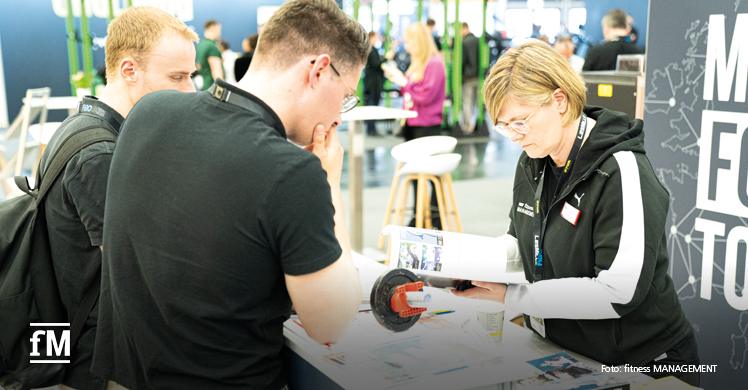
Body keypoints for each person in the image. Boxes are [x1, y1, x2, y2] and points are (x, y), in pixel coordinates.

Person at [91, 0, 368, 388]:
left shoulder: (150, 112)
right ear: (319, 70)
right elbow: (331, 323)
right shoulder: (291, 172)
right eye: (346, 95)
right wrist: (329, 184)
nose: (340, 115)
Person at [454, 40, 700, 387]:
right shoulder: (532, 162)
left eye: (520, 122)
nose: (513, 137)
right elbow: (520, 243)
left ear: (559, 100)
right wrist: (460, 263)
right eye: (504, 126)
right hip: (569, 355)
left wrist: (516, 297)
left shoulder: (621, 169)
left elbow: (619, 292)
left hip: (646, 365)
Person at [40, 7, 197, 389]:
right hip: (100, 359)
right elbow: (136, 274)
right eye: (177, 77)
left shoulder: (84, 126)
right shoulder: (100, 154)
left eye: (190, 76)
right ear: (129, 70)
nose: (190, 90)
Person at [383, 22, 445, 229]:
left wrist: (404, 83)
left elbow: (426, 95)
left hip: (427, 126)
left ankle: (434, 218)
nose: (407, 45)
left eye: (410, 41)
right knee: (416, 175)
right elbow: (412, 94)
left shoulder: (434, 63)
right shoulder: (416, 63)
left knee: (431, 176)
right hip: (412, 123)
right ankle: (419, 216)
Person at [460, 22, 479, 134]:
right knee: (477, 102)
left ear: (464, 29)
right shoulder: (478, 41)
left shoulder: (464, 42)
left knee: (467, 101)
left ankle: (467, 126)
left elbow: (462, 61)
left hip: (468, 76)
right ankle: (476, 123)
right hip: (479, 76)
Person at [364, 31, 384, 135]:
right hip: (372, 83)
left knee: (373, 104)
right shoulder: (370, 50)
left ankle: (372, 128)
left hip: (373, 82)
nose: (377, 39)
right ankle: (371, 129)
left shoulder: (371, 49)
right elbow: (376, 64)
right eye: (376, 37)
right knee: (372, 105)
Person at [195, 19, 223, 89]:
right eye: (219, 30)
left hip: (203, 87)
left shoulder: (200, 45)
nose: (220, 33)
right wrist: (222, 88)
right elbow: (217, 73)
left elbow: (198, 66)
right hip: (212, 88)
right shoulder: (212, 46)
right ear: (213, 28)